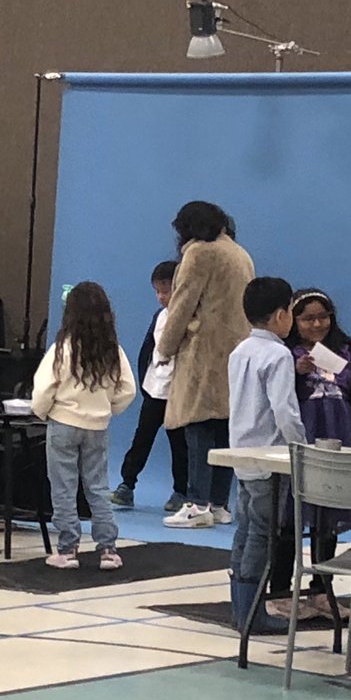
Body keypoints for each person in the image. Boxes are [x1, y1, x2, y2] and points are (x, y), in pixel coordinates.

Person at [269, 288, 351, 619]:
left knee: (327, 520)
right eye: (308, 318)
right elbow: (277, 400)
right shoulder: (285, 354)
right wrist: (295, 372)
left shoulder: (346, 350)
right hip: (303, 440)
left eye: (322, 317)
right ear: (293, 320)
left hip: (339, 437)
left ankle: (321, 590)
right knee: (290, 518)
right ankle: (281, 591)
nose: (317, 324)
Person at [160, 201, 255, 529]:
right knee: (225, 428)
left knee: (198, 428)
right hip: (236, 353)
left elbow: (182, 302)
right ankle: (218, 503)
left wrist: (165, 347)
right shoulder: (241, 254)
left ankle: (196, 503)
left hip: (202, 353)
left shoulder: (198, 253)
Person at [32, 281, 135, 570]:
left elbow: (42, 390)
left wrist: (43, 413)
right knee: (98, 487)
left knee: (63, 488)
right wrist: (106, 409)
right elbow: (127, 389)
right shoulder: (113, 350)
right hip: (97, 427)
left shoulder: (62, 349)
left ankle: (67, 550)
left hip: (63, 424)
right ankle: (108, 550)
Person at [228, 277, 307, 632]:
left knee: (245, 529)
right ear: (280, 315)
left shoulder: (240, 350)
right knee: (261, 533)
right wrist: (301, 448)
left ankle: (240, 608)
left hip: (241, 454)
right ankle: (252, 614)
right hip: (271, 459)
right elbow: (285, 411)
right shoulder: (278, 354)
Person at [111, 260, 189, 512]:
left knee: (180, 446)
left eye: (166, 290)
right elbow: (149, 350)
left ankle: (181, 490)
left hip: (178, 395)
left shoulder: (190, 321)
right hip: (155, 390)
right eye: (157, 291)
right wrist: (146, 381)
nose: (161, 297)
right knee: (141, 438)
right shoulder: (159, 317)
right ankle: (127, 484)